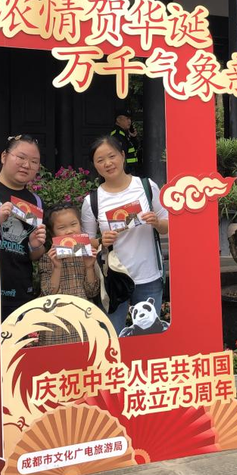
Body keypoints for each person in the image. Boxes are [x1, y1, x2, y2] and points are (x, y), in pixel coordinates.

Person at [81, 135, 169, 333]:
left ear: (122, 155)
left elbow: (168, 226)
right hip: (115, 279)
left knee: (149, 336)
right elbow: (86, 243)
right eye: (100, 160)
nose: (108, 163)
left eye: (111, 156)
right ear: (95, 166)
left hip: (148, 277)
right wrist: (102, 241)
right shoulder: (92, 201)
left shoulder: (146, 187)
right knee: (113, 336)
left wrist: (156, 222)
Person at [0, 134, 47, 321]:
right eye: (21, 157)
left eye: (34, 161)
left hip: (19, 292)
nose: (27, 165)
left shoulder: (36, 201)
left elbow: (34, 255)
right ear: (4, 156)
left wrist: (36, 245)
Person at [40, 202, 100, 300]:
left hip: (84, 311)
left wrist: (89, 267)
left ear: (80, 225)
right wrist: (57, 268)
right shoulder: (48, 258)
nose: (69, 231)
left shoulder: (89, 255)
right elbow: (47, 294)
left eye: (73, 224)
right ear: (52, 233)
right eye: (61, 227)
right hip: (57, 311)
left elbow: (92, 292)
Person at [110, 109, 141, 175]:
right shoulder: (117, 135)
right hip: (126, 172)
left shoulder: (125, 134)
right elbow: (119, 156)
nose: (129, 121)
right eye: (127, 118)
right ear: (118, 120)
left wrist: (133, 137)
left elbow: (134, 149)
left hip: (131, 171)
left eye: (130, 119)